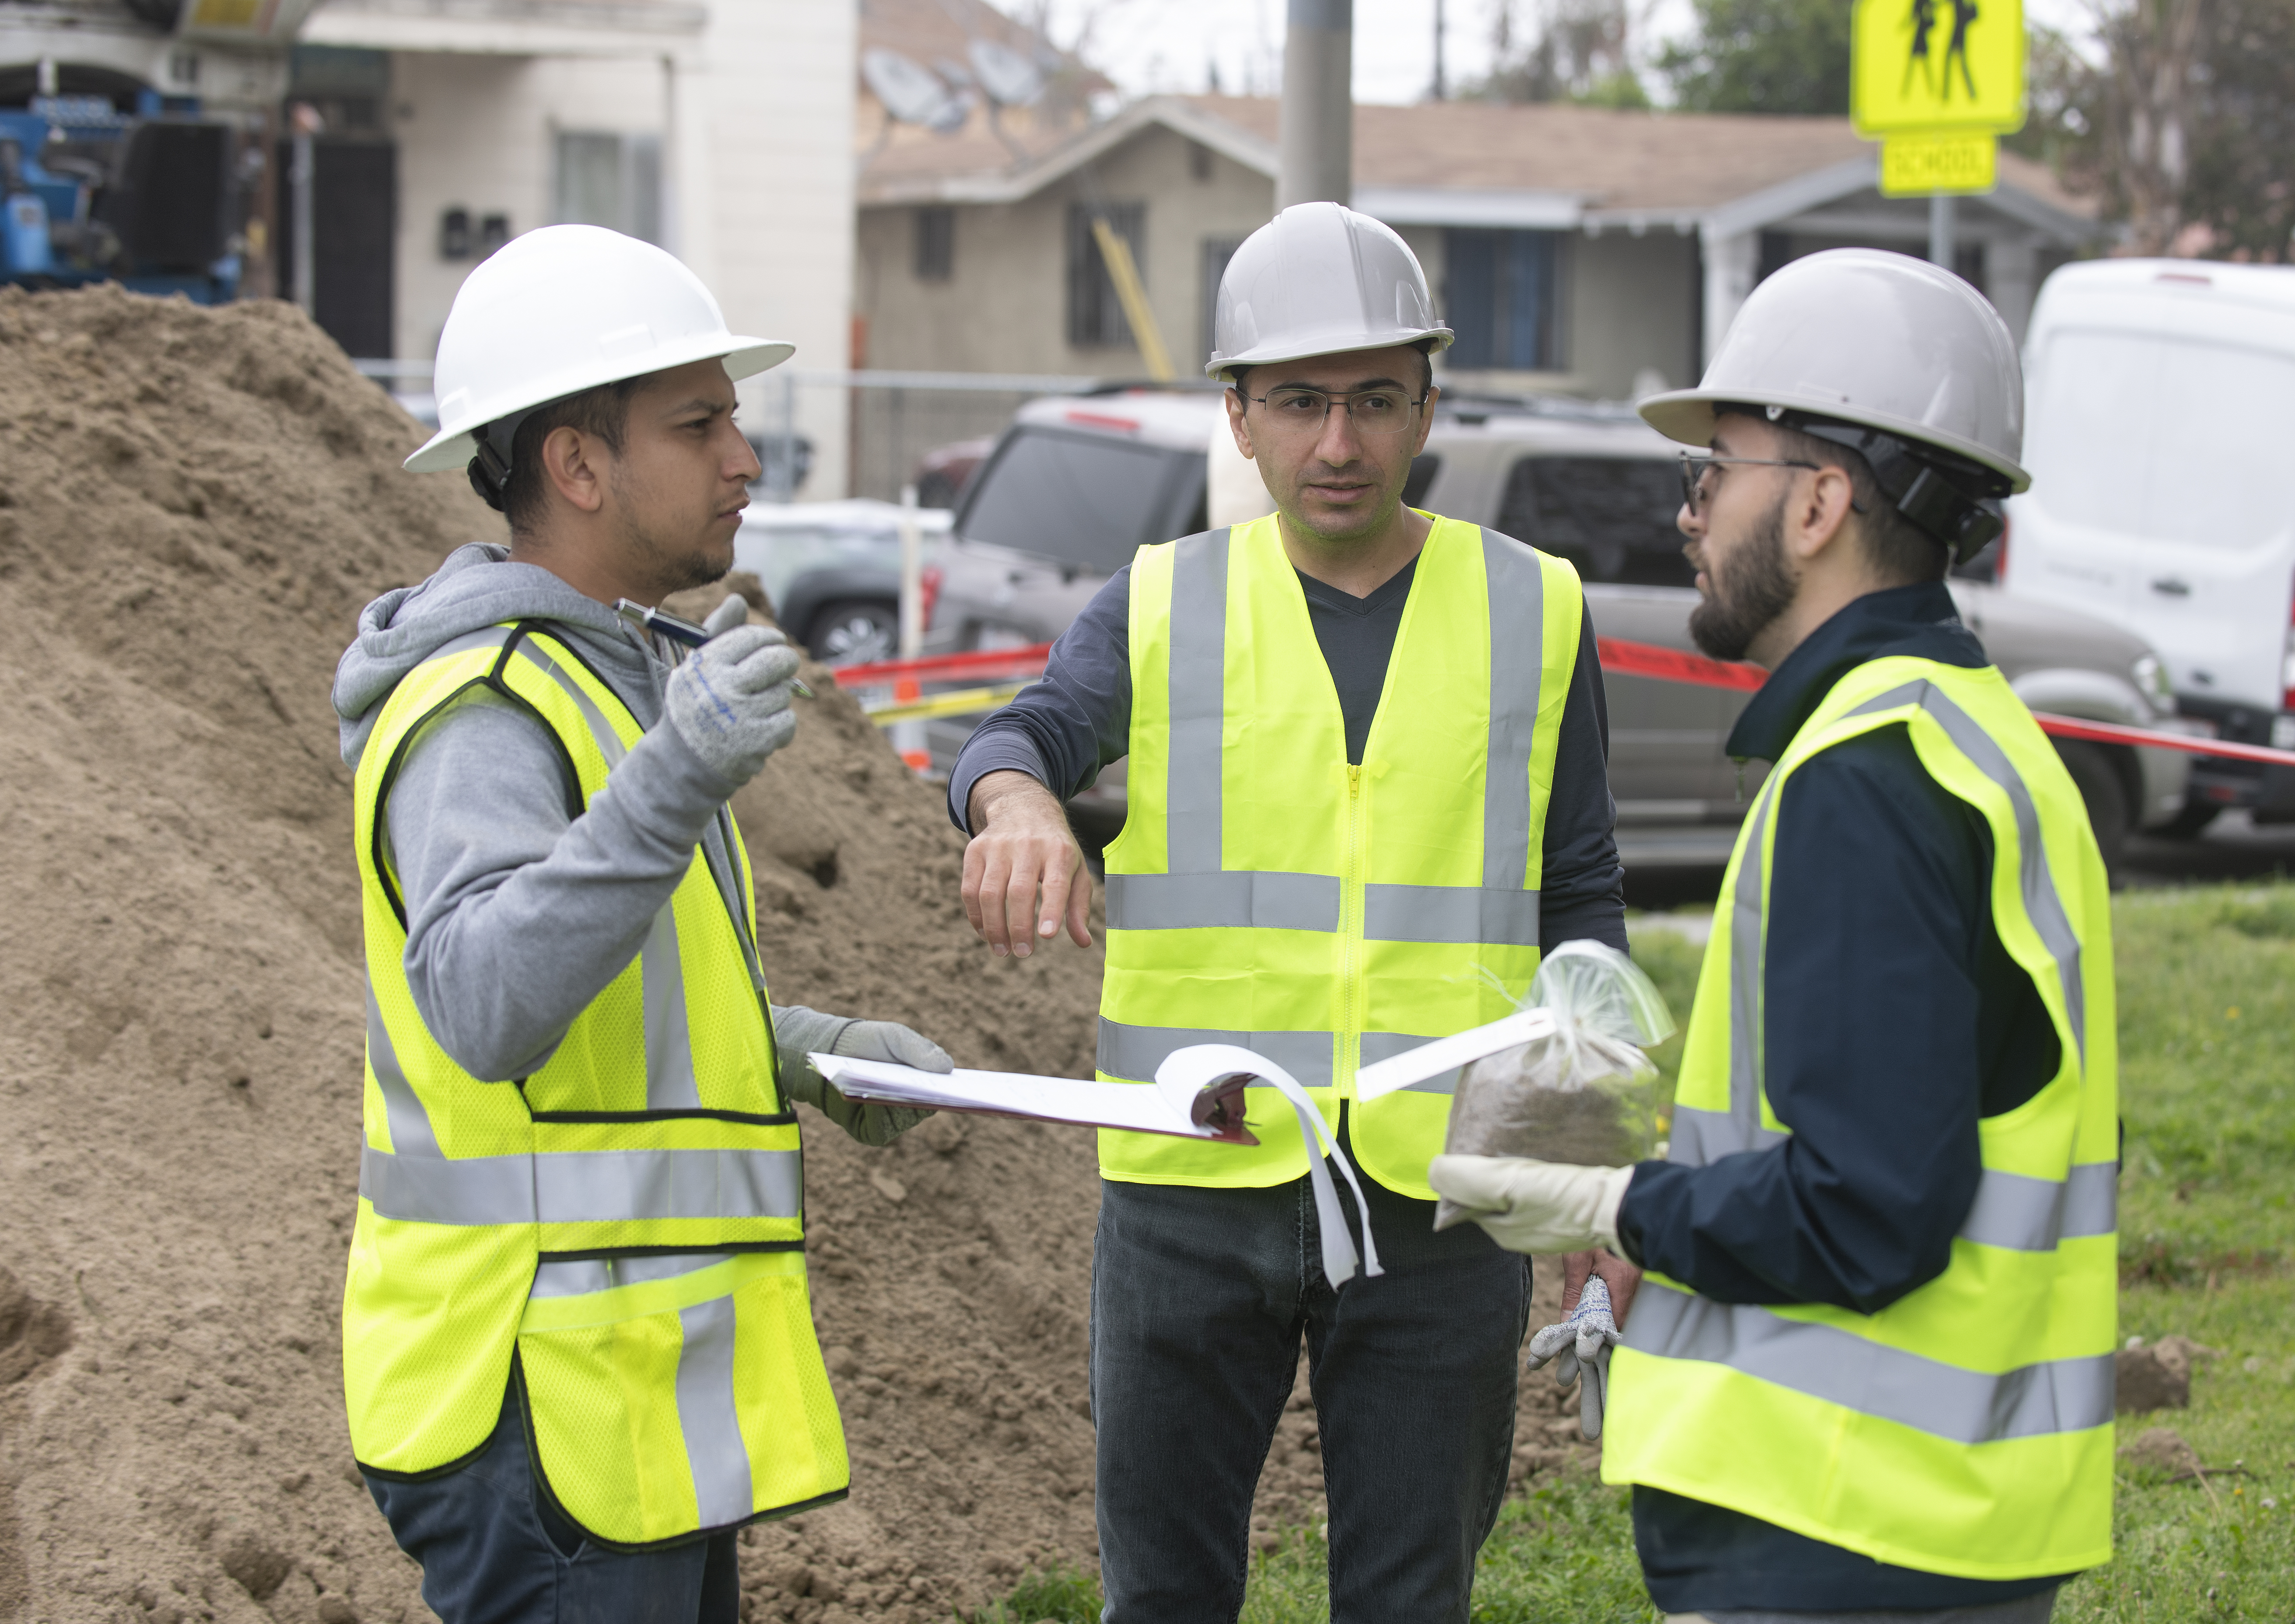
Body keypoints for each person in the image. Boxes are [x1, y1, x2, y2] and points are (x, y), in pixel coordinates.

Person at [948, 202, 1629, 1623]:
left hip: (1442, 1198)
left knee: (1408, 1596)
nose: (1340, 442)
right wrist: (1015, 808)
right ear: (1241, 417)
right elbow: (1018, 741)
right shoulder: (1159, 603)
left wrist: (1592, 1177)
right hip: (1191, 1181)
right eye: (1302, 401)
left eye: (1376, 401)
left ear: (1428, 407)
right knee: (1166, 1597)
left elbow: (1580, 903)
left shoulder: (1535, 609)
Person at [1434, 248, 2119, 1624]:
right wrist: (1657, 1239)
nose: (1689, 515)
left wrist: (1608, 1202)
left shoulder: (1867, 782)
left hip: (1840, 1520)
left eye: (1715, 472)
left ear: (1817, 503)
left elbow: (1867, 1208)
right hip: (1931, 1517)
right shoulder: (1969, 737)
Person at [331, 224, 953, 1624]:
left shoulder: (608, 678)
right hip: (531, 1403)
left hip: (616, 1402)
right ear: (577, 463)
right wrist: (673, 778)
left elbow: (611, 1003)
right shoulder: (485, 706)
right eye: (701, 422)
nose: (745, 456)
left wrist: (801, 1050)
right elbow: (483, 1002)